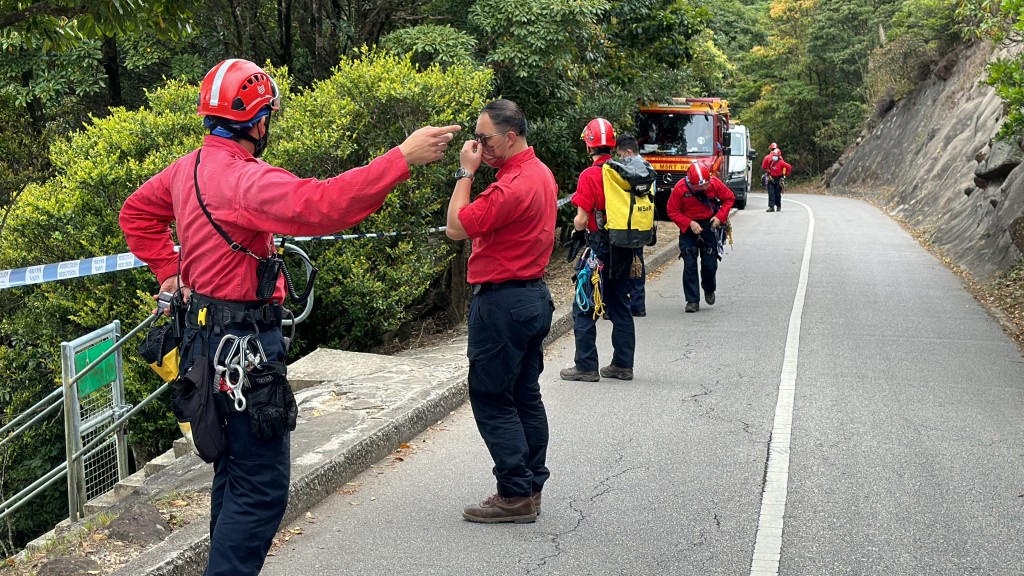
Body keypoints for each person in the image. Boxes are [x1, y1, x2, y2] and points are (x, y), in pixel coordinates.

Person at [119, 59, 459, 576]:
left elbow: (136, 212)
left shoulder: (186, 170)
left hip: (206, 344)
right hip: (245, 348)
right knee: (260, 486)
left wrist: (171, 271)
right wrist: (400, 158)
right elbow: (323, 205)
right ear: (257, 121)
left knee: (234, 470)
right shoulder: (243, 181)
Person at [445, 99, 556, 524]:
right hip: (531, 297)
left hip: (504, 303)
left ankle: (515, 492)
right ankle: (531, 484)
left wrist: (466, 173)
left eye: (484, 138)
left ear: (510, 137)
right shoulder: (539, 173)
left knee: (492, 397)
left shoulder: (511, 186)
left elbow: (456, 226)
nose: (478, 145)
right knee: (525, 394)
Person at [559, 118, 636, 382]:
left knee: (584, 307)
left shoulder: (590, 175)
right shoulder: (624, 171)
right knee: (620, 306)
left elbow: (581, 219)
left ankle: (586, 366)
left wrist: (576, 228)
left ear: (588, 145)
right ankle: (623, 365)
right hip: (624, 248)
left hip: (598, 250)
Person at [666, 161, 735, 313]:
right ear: (691, 183)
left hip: (710, 225)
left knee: (710, 264)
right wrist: (688, 223)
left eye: (706, 184)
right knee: (689, 264)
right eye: (700, 187)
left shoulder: (714, 183)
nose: (704, 188)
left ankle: (709, 288)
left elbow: (729, 198)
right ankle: (692, 300)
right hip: (689, 229)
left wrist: (720, 217)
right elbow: (672, 210)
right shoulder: (680, 188)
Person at [614, 132, 654, 317]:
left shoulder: (631, 169)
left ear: (628, 152)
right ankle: (639, 305)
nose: (620, 159)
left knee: (627, 264)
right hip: (644, 221)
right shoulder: (648, 167)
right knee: (638, 262)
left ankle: (626, 303)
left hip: (629, 222)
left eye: (621, 155)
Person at [761, 144, 792, 212]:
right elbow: (765, 167)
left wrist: (785, 175)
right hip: (771, 178)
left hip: (778, 178)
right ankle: (771, 207)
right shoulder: (771, 159)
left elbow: (788, 167)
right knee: (771, 192)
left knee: (777, 193)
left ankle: (778, 206)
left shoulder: (780, 161)